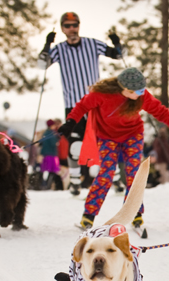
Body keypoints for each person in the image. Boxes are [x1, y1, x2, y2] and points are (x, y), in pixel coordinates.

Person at [58, 68, 169, 230]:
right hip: (107, 138)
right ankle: (89, 215)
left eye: (142, 89)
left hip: (133, 136)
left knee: (134, 174)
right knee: (106, 174)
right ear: (125, 89)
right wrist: (70, 122)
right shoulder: (101, 94)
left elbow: (160, 111)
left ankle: (135, 212)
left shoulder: (141, 96)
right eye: (138, 91)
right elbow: (82, 106)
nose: (141, 93)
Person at [38, 12, 126, 196]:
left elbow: (118, 55)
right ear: (62, 29)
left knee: (105, 140)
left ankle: (116, 179)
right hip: (73, 104)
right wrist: (47, 44)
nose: (72, 29)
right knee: (75, 144)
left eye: (74, 25)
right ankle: (75, 182)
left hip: (96, 103)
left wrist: (117, 43)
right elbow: (41, 65)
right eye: (67, 26)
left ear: (79, 26)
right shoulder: (59, 49)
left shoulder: (92, 44)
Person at [40, 119, 62, 190]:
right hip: (51, 154)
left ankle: (45, 184)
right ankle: (47, 185)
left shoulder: (45, 132)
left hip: (46, 154)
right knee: (52, 171)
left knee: (46, 170)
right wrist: (57, 138)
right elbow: (54, 143)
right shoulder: (51, 133)